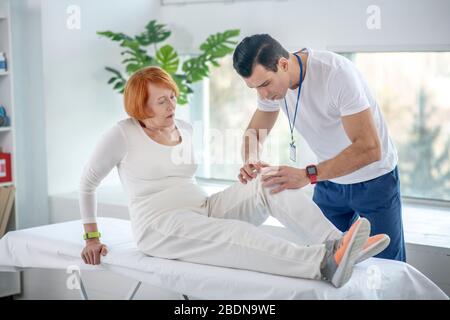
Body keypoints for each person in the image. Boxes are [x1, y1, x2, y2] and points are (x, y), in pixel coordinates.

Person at [79, 66, 389, 288]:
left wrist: (249, 170)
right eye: (162, 101)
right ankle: (322, 265)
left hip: (202, 208)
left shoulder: (183, 128)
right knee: (235, 235)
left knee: (268, 180)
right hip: (159, 225)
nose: (172, 104)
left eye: (172, 96)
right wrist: (92, 237)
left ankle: (337, 242)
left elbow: (181, 178)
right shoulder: (122, 134)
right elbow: (88, 183)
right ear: (140, 106)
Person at [233, 34, 404, 261]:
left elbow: (370, 148)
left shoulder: (335, 74)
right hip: (328, 181)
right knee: (323, 261)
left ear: (283, 64)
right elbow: (254, 133)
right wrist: (251, 160)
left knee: (388, 267)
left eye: (265, 84)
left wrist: (307, 174)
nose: (263, 94)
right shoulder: (271, 89)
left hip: (374, 181)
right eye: (254, 88)